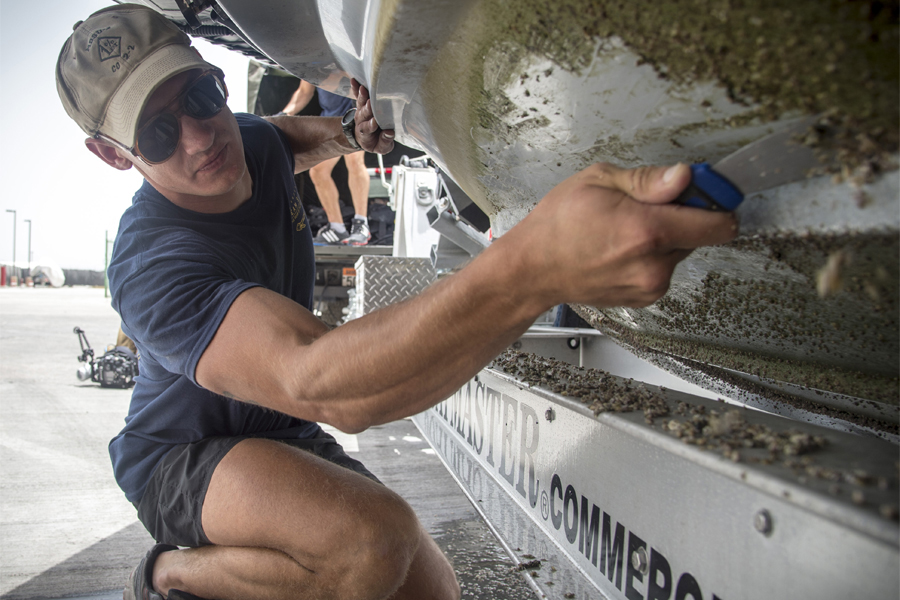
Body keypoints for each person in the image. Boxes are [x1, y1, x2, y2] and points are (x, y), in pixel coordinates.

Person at [56, 5, 737, 600]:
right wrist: (533, 266)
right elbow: (323, 382)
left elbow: (279, 138)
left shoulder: (245, 141)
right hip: (182, 454)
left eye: (201, 96)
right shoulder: (152, 264)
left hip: (274, 429)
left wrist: (352, 134)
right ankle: (170, 574)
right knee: (371, 544)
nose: (201, 137)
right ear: (114, 156)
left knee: (433, 589)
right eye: (156, 134)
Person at [279, 80, 372, 246]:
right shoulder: (311, 63)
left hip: (354, 114)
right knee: (318, 171)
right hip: (330, 120)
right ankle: (337, 228)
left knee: (354, 161)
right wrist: (284, 114)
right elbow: (304, 92)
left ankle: (361, 225)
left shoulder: (342, 57)